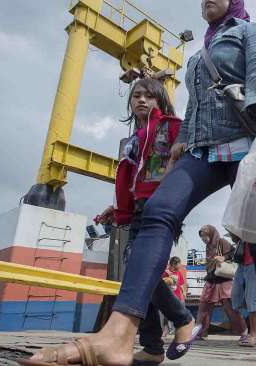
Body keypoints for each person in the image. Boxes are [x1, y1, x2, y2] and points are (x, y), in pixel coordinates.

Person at [24, 1, 256, 365]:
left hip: (245, 145)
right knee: (158, 212)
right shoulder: (201, 53)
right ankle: (119, 334)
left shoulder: (249, 31)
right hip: (203, 149)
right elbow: (197, 104)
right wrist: (185, 139)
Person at [91, 79, 196, 365]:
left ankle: (182, 319)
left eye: (149, 96)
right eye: (136, 95)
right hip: (138, 209)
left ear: (160, 100)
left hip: (163, 207)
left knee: (140, 272)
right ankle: (151, 347)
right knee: (135, 275)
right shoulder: (132, 140)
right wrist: (119, 210)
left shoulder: (174, 126)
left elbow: (188, 162)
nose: (141, 100)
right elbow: (130, 180)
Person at [197, 226, 245, 339]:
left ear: (211, 234)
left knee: (230, 308)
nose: (203, 238)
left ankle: (243, 331)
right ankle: (201, 332)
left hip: (224, 280)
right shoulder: (208, 246)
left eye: (205, 235)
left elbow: (234, 253)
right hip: (211, 279)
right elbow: (209, 262)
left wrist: (223, 257)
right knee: (204, 307)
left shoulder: (221, 242)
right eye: (201, 236)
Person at [231, 240, 256, 347]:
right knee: (235, 300)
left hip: (254, 264)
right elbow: (235, 238)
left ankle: (253, 335)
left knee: (251, 299)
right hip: (241, 264)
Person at [162, 256, 186, 336]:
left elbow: (181, 284)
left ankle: (177, 330)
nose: (180, 266)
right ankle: (166, 329)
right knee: (167, 314)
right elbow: (162, 283)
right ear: (173, 264)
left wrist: (184, 293)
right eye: (179, 264)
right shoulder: (166, 272)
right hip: (168, 296)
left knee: (178, 313)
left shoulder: (179, 273)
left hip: (178, 296)